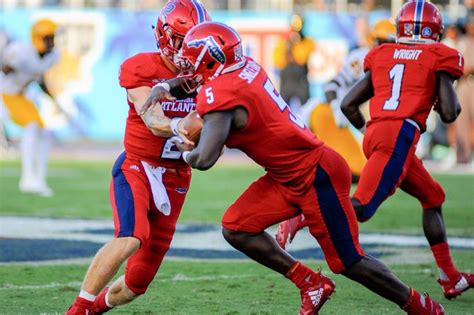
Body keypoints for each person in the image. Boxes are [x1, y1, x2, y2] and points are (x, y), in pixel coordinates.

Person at [149, 21, 444, 314]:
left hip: (316, 176)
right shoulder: (244, 67)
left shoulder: (224, 94)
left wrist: (183, 151)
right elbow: (199, 87)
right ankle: (310, 283)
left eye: (191, 62)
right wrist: (165, 86)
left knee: (349, 262)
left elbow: (204, 159)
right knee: (237, 226)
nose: (186, 70)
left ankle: (421, 305)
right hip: (287, 175)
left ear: (211, 59)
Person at [276, 0, 474, 301]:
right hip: (399, 136)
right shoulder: (439, 55)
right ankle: (303, 214)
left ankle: (450, 277)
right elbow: (449, 113)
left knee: (433, 197)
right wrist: (440, 89)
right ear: (435, 29)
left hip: (380, 132)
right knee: (363, 207)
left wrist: (369, 132)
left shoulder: (384, 53)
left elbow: (348, 104)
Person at [65, 1, 210, 314]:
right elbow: (153, 119)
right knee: (132, 236)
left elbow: (216, 141)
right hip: (138, 167)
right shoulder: (141, 67)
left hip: (177, 179)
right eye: (184, 41)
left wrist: (206, 142)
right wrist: (180, 126)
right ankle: (77, 310)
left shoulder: (206, 76)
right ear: (166, 37)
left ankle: (92, 310)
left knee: (136, 285)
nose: (189, 50)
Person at [0, 19, 59, 197]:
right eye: (49, 38)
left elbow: (39, 79)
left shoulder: (52, 56)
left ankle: (38, 180)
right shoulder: (19, 51)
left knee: (44, 131)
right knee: (32, 127)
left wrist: (52, 97)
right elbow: (4, 69)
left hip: (20, 95)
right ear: (38, 37)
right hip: (5, 93)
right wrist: (9, 66)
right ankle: (27, 178)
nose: (52, 42)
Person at [273, 13, 315, 111]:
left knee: (306, 109)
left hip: (301, 81)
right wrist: (287, 46)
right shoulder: (282, 42)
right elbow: (278, 62)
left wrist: (296, 43)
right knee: (282, 110)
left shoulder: (307, 42)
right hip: (286, 81)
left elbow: (301, 59)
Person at [455, 12, 474, 164]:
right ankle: (463, 156)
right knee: (461, 121)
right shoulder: (461, 41)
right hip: (463, 83)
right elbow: (457, 66)